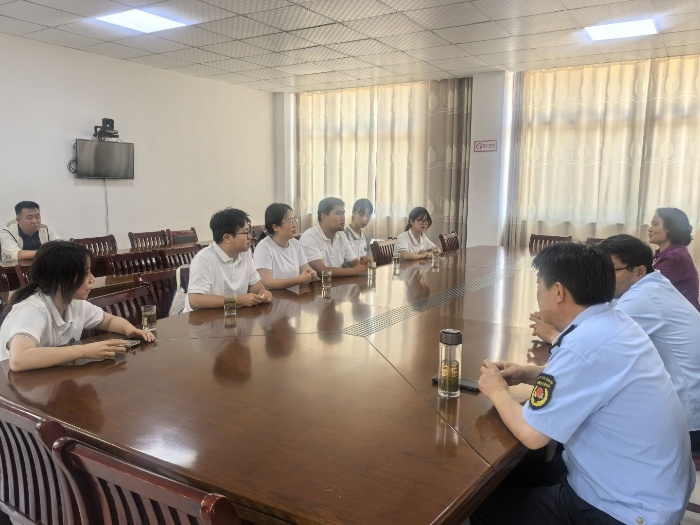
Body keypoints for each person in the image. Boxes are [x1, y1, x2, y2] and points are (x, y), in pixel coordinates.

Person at [473, 242, 693, 525]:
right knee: (522, 472)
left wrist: (497, 390)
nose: (538, 293)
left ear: (558, 291)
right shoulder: (614, 322)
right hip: (653, 489)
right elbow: (594, 377)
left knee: (483, 503)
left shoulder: (583, 345)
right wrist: (528, 373)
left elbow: (533, 435)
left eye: (539, 285)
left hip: (623, 509)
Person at [531, 234, 700, 445]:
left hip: (688, 417)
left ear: (639, 271)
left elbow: (591, 345)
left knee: (570, 425)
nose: (602, 277)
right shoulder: (650, 284)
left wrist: (553, 333)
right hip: (669, 405)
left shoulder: (642, 299)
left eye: (611, 270)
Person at [0, 241, 155, 372]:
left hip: (48, 378)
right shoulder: (33, 310)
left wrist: (129, 329)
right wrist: (84, 351)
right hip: (13, 387)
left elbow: (109, 321)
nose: (92, 279)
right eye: (86, 273)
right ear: (61, 279)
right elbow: (18, 360)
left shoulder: (75, 303)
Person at [185, 208, 272, 312]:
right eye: (246, 233)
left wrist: (262, 292)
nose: (251, 237)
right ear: (227, 238)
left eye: (250, 232)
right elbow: (195, 300)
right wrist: (236, 300)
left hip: (233, 315)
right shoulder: (204, 258)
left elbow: (254, 283)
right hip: (204, 317)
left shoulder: (245, 253)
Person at [253, 203, 317, 290]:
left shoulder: (295, 243)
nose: (294, 225)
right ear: (275, 227)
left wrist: (311, 274)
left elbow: (306, 271)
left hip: (295, 296)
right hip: (276, 297)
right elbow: (266, 283)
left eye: (295, 220)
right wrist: (298, 280)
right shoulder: (263, 248)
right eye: (290, 221)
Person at [299, 197, 367, 276]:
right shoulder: (309, 237)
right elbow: (322, 271)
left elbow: (354, 263)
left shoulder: (341, 235)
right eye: (338, 213)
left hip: (337, 283)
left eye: (343, 213)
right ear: (324, 217)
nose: (343, 218)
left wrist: (363, 263)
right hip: (317, 283)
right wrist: (355, 271)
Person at [648, 207, 700, 310]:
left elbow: (648, 289)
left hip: (682, 316)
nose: (650, 229)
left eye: (655, 224)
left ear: (671, 228)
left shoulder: (675, 257)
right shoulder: (668, 253)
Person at [344, 198, 373, 264]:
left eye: (368, 216)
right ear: (353, 213)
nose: (364, 219)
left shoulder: (366, 239)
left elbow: (371, 262)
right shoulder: (343, 236)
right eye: (361, 215)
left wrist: (368, 260)